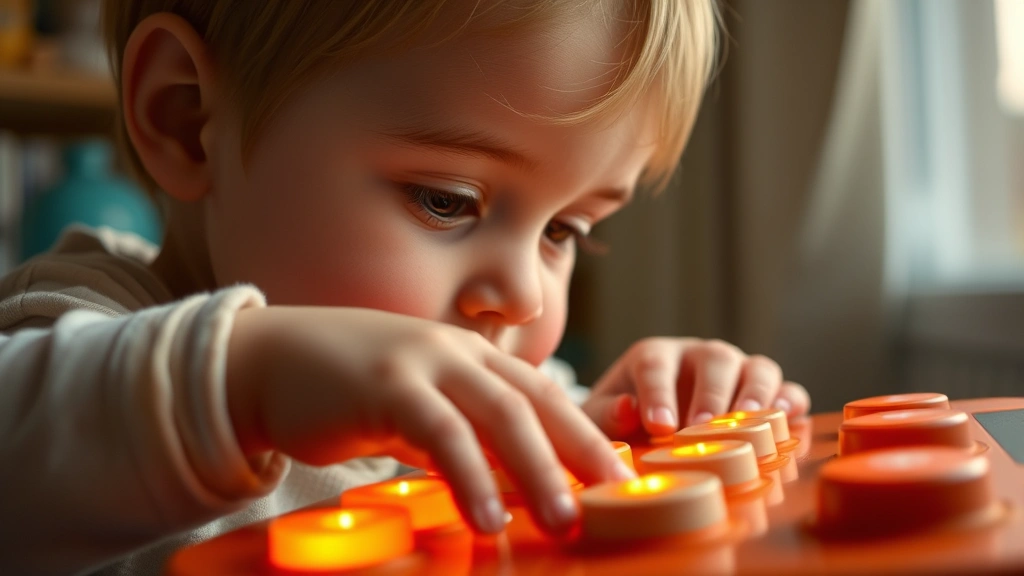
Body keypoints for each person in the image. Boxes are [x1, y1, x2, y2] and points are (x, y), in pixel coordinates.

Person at [0, 1, 810, 574]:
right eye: (445, 200)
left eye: (565, 231)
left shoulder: (491, 375)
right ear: (185, 118)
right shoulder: (75, 329)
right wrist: (241, 379)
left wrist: (621, 421)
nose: (523, 296)